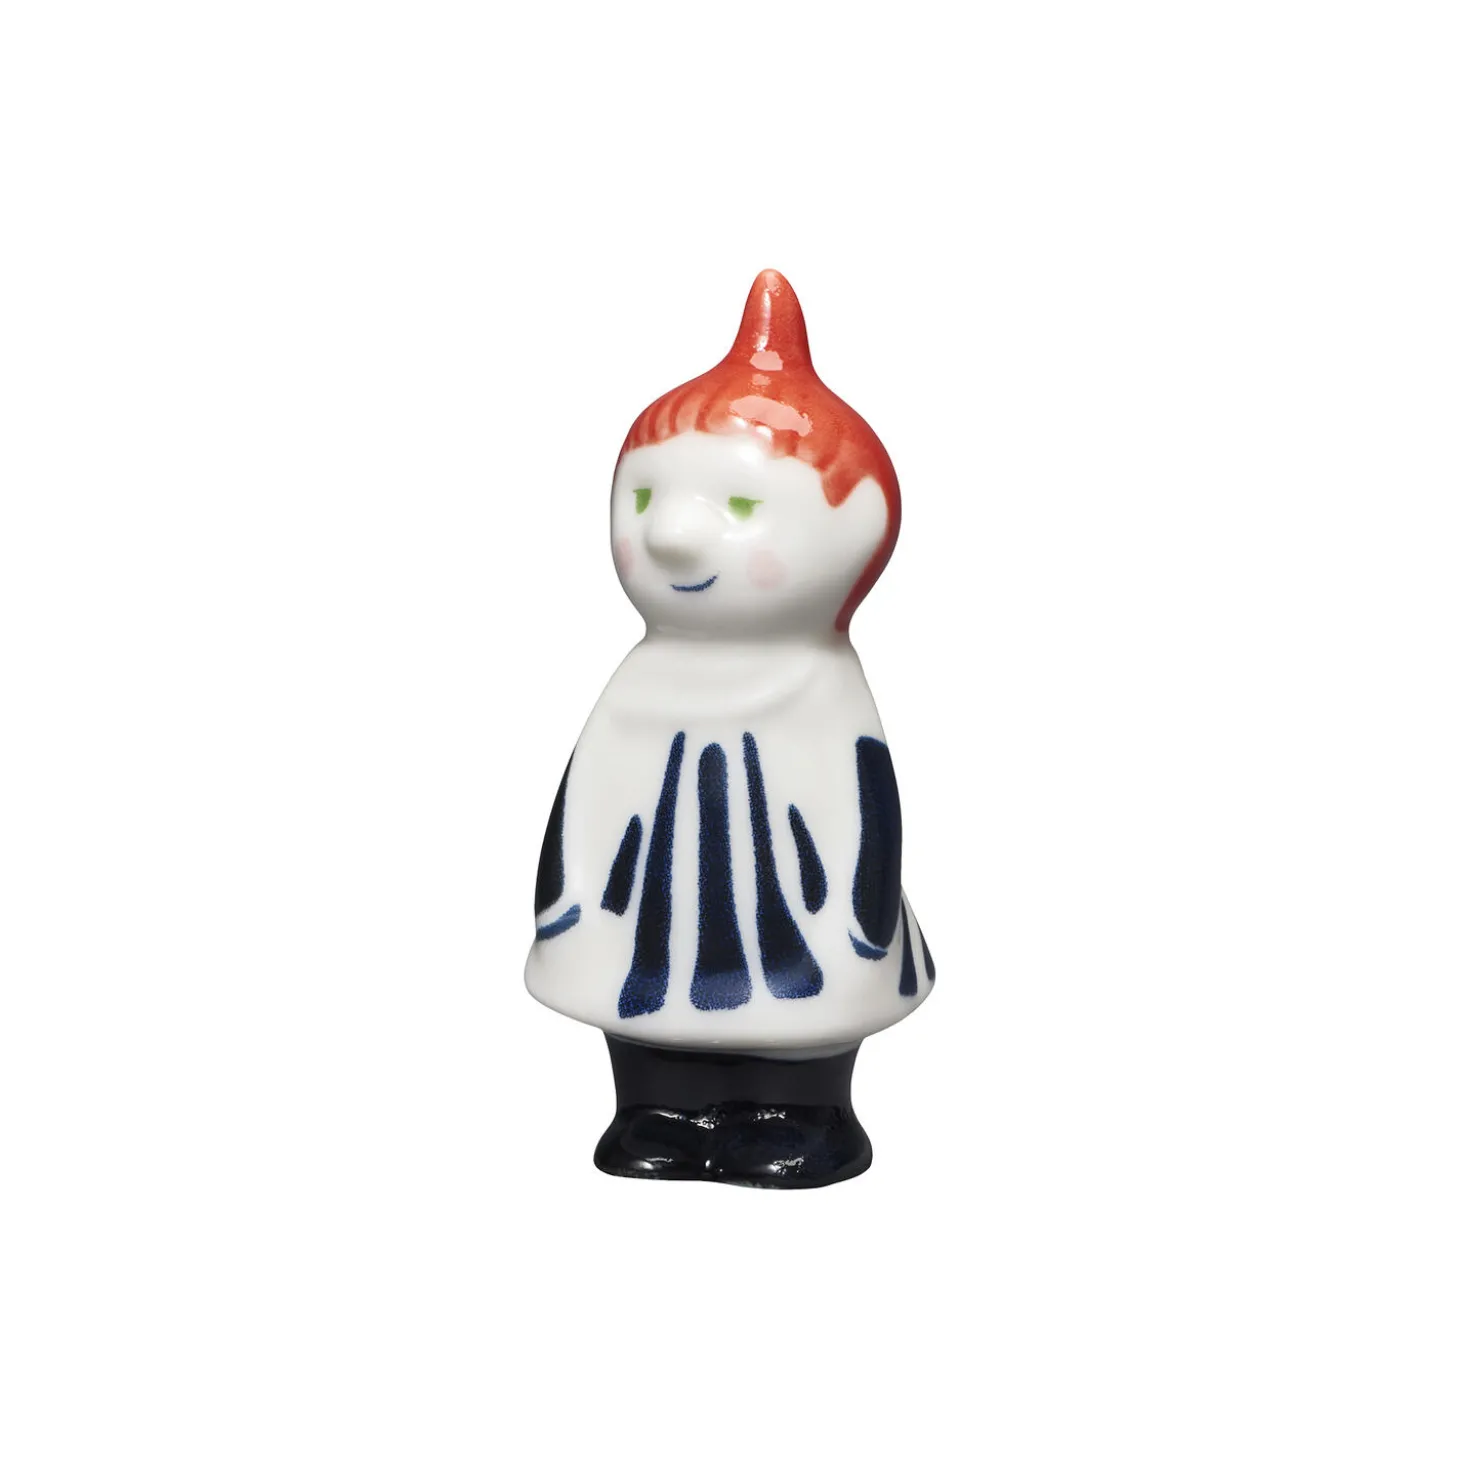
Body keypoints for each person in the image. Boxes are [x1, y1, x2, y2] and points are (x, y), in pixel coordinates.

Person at [525, 270, 934, 1187]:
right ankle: (658, 1110)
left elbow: (864, 809)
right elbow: (586, 799)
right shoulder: (642, 679)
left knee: (802, 1032)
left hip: (802, 935)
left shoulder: (822, 687)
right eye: (642, 501)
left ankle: (799, 1115)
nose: (670, 535)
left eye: (741, 509)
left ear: (856, 530)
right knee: (642, 1027)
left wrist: (866, 915)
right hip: (643, 934)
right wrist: (565, 896)